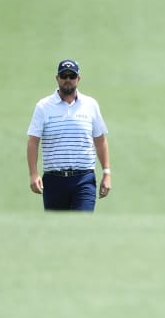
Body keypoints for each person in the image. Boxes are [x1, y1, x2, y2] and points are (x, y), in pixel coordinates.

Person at [27, 59, 111, 211]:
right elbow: (33, 141)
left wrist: (106, 173)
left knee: (82, 226)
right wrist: (34, 173)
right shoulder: (43, 106)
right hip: (53, 180)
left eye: (72, 76)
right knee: (56, 230)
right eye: (64, 76)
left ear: (78, 79)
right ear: (57, 78)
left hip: (84, 179)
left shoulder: (90, 104)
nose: (68, 80)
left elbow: (100, 140)